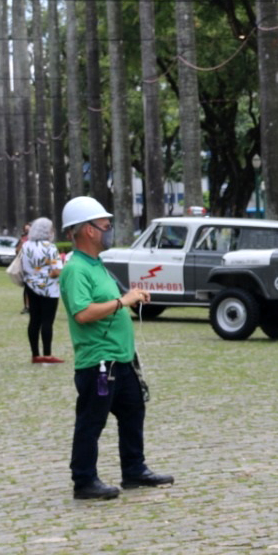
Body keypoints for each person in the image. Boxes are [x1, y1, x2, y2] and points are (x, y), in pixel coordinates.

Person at [59, 197, 173, 500]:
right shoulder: (76, 270)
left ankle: (134, 470)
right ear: (88, 230)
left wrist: (132, 296)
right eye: (106, 226)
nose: (110, 231)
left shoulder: (97, 265)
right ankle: (84, 480)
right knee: (91, 421)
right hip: (98, 362)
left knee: (133, 410)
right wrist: (123, 301)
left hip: (120, 359)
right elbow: (82, 313)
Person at [22, 217, 65, 364]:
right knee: (47, 321)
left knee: (34, 320)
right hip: (49, 288)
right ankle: (47, 354)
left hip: (31, 285)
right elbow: (57, 270)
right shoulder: (50, 247)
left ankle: (35, 354)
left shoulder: (26, 245)